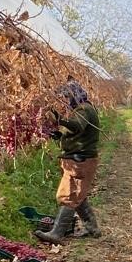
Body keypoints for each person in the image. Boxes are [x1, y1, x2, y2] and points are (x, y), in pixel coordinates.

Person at [40, 80, 101, 243]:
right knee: (77, 195)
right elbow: (78, 133)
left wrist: (60, 120)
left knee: (67, 196)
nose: (66, 101)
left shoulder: (84, 109)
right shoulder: (85, 108)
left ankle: (57, 234)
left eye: (67, 97)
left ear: (75, 95)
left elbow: (76, 126)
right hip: (79, 159)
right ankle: (92, 228)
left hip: (80, 161)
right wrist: (61, 137)